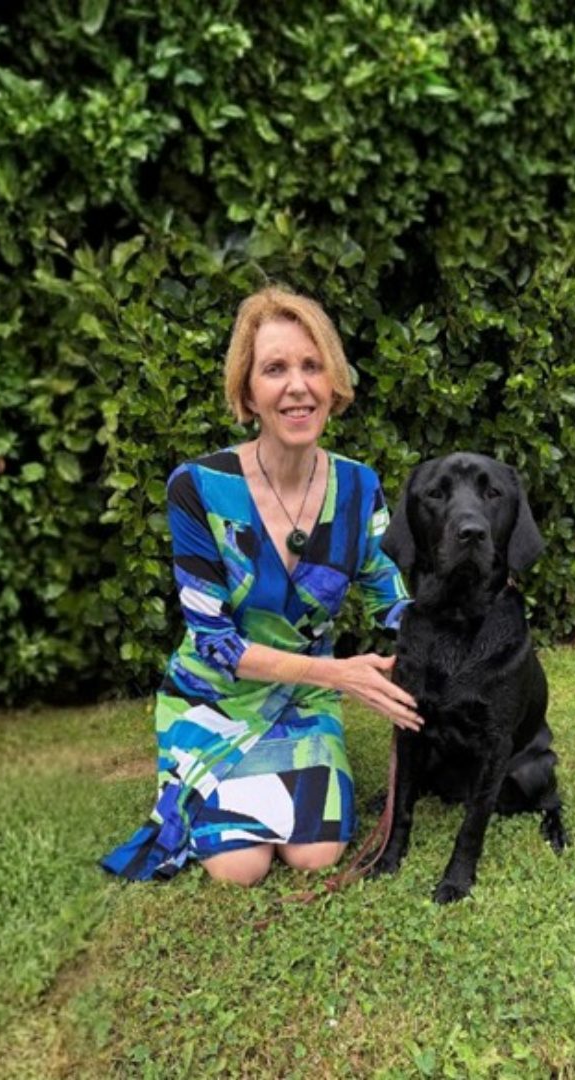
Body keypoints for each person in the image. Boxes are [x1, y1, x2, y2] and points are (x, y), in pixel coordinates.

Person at [101, 285, 422, 886]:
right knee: (239, 869)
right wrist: (341, 674)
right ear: (248, 392)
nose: (297, 386)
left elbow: (392, 598)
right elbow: (216, 642)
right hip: (215, 695)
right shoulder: (197, 487)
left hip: (302, 700)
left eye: (312, 366)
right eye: (275, 369)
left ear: (334, 384)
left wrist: (461, 625)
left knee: (315, 856)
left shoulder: (359, 488)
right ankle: (195, 774)